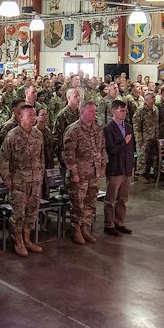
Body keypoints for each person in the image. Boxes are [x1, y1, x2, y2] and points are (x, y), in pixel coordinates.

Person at [0, 102, 45, 257]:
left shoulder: (38, 134)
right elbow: (4, 160)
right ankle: (18, 240)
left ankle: (27, 239)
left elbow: (41, 157)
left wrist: (41, 174)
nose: (33, 118)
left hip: (35, 180)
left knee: (32, 212)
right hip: (19, 182)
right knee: (19, 214)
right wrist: (8, 180)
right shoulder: (12, 135)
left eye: (34, 115)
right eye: (29, 115)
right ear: (20, 116)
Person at [62, 100, 106, 245]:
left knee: (90, 202)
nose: (94, 114)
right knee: (77, 204)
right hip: (79, 174)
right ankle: (76, 230)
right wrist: (73, 173)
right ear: (82, 113)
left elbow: (102, 149)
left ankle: (86, 227)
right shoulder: (73, 130)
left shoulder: (98, 129)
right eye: (91, 111)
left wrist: (102, 166)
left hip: (93, 173)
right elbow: (69, 155)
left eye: (95, 111)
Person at [102, 100, 135, 235]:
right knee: (111, 199)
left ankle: (119, 222)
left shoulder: (128, 127)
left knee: (123, 198)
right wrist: (124, 142)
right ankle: (109, 224)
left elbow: (132, 148)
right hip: (115, 167)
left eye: (125, 111)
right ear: (113, 111)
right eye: (121, 111)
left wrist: (132, 164)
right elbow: (111, 150)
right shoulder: (108, 128)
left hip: (126, 166)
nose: (124, 113)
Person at [133, 92, 158, 182]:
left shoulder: (155, 109)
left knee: (151, 157)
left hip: (153, 137)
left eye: (154, 97)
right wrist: (139, 138)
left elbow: (156, 124)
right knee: (142, 157)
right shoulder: (141, 110)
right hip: (144, 138)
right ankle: (141, 175)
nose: (154, 99)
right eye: (152, 97)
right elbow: (136, 125)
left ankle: (147, 174)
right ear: (146, 99)